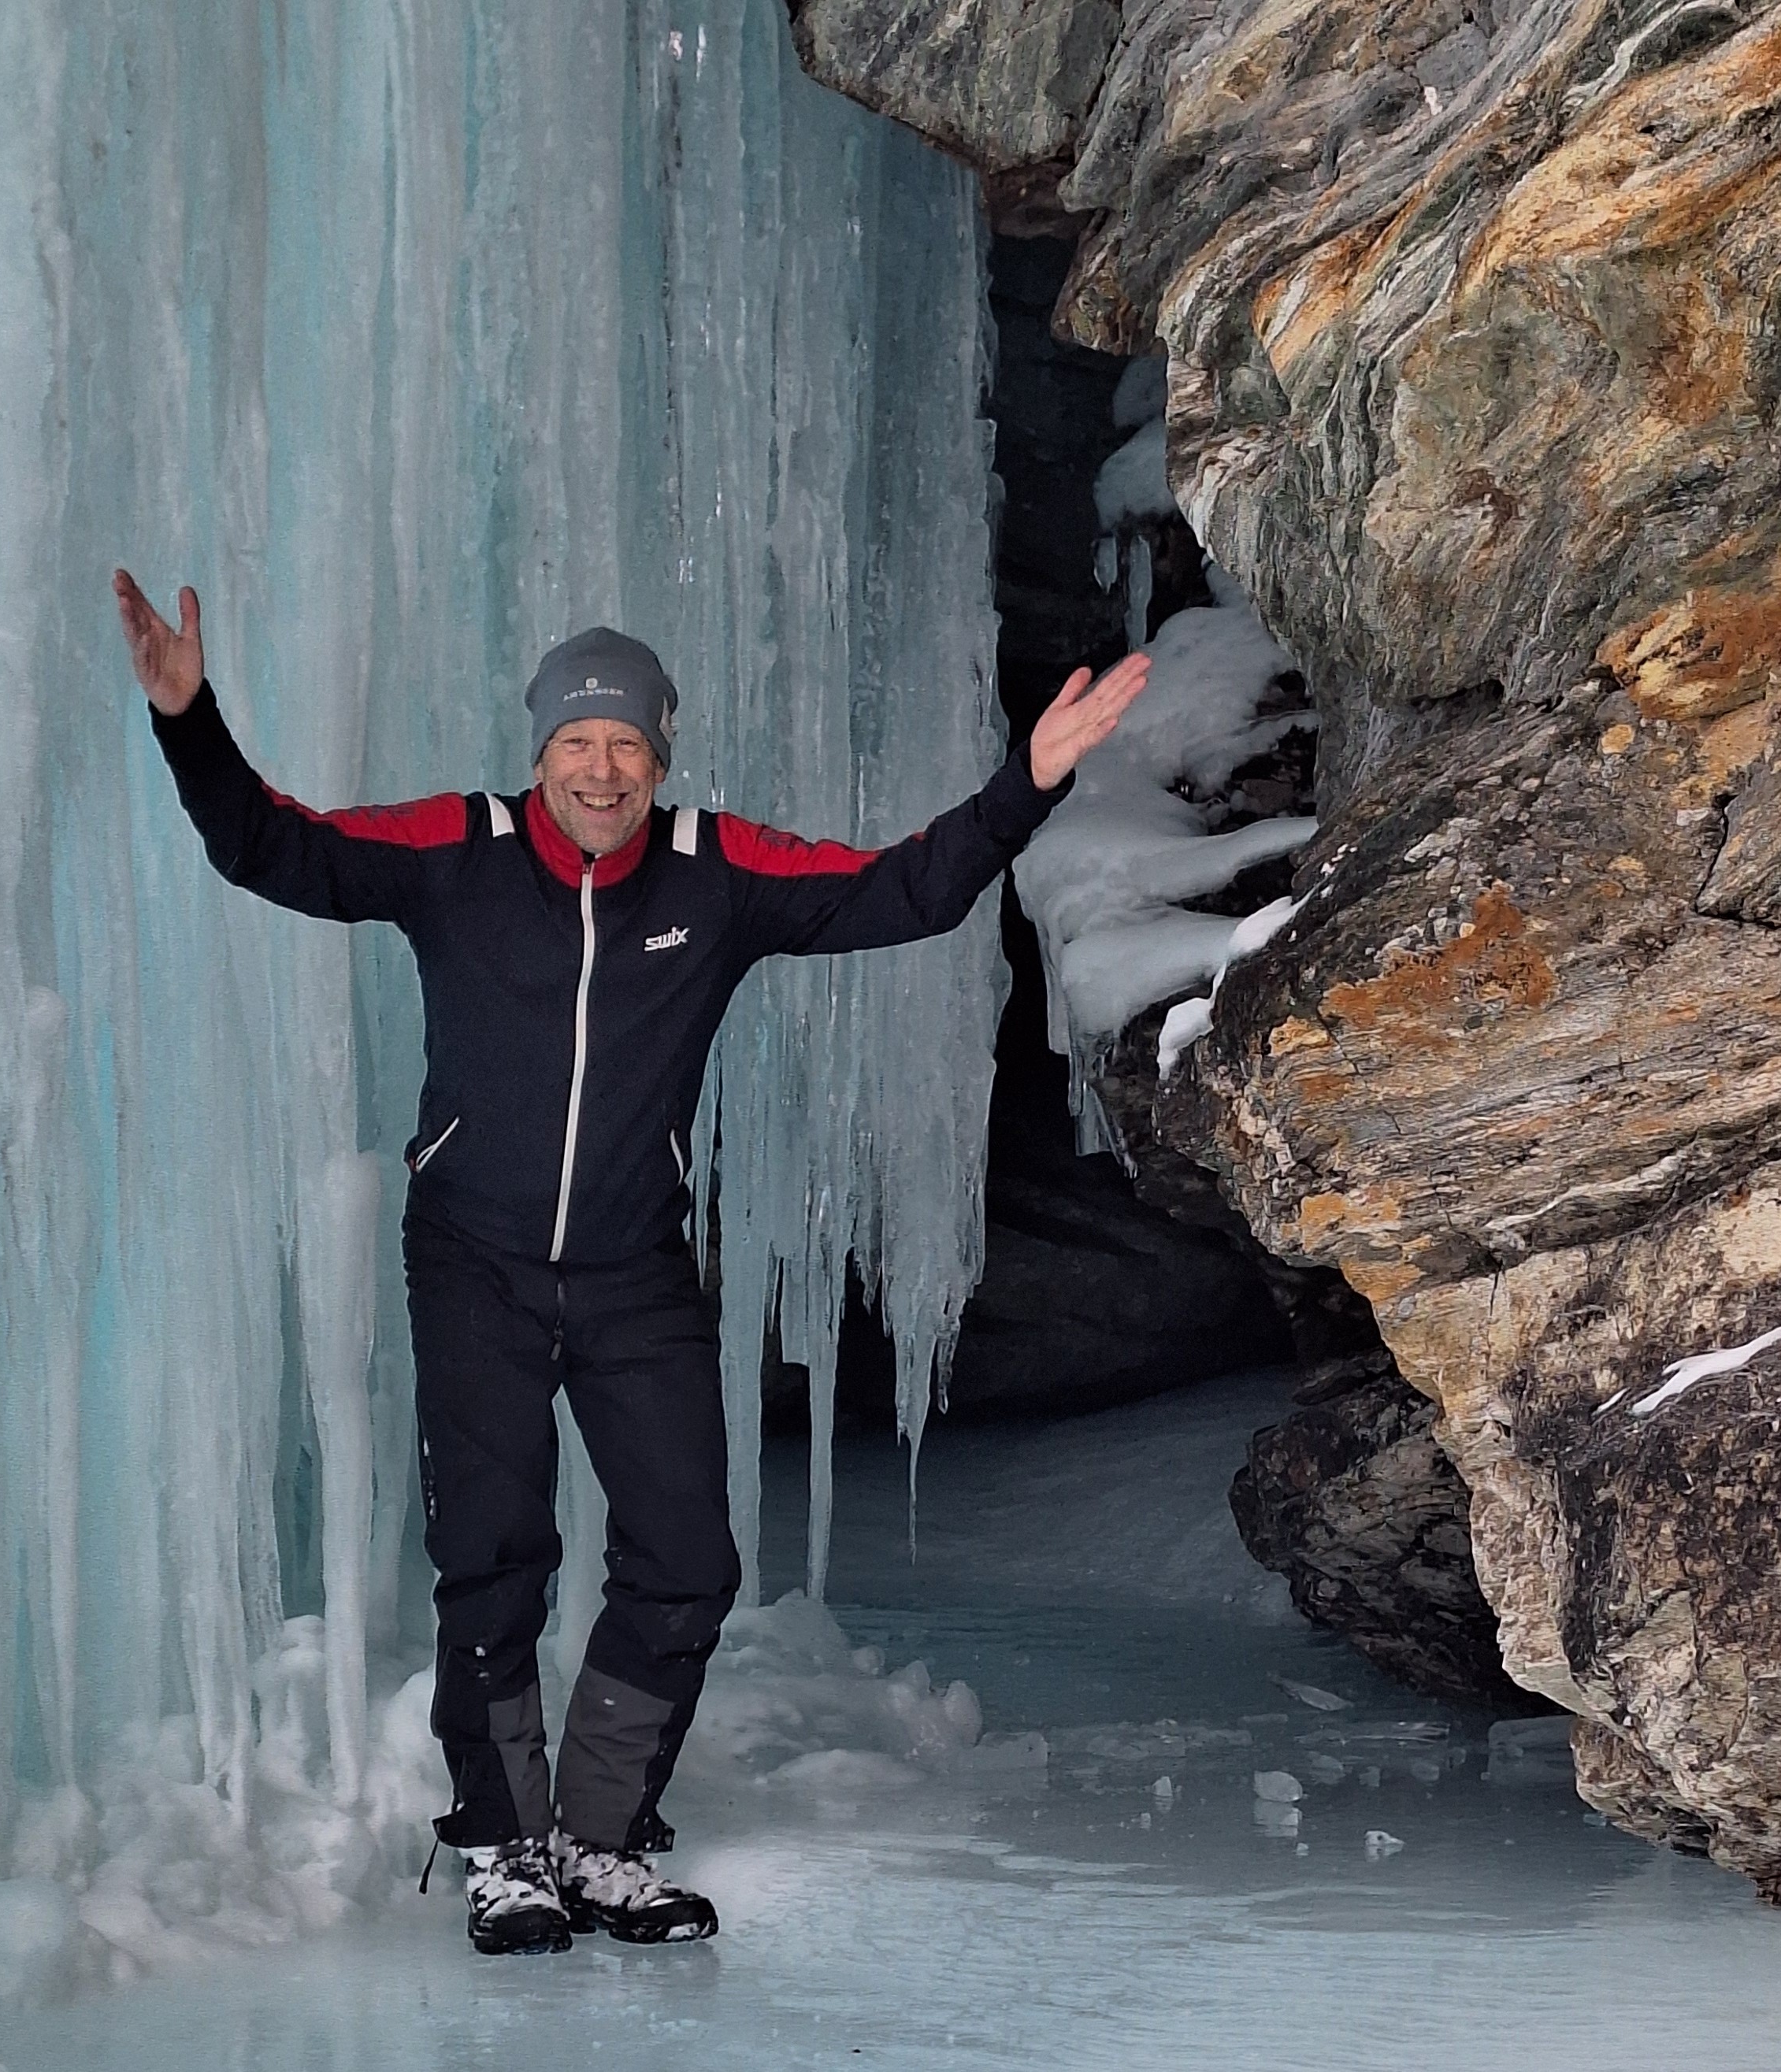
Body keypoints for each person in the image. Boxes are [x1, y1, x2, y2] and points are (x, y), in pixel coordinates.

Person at [113, 568, 1149, 1955]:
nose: (602, 771)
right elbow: (271, 847)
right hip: (472, 1259)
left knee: (683, 1557)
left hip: (633, 1272)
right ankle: (500, 1848)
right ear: (538, 751)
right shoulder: (453, 850)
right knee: (491, 1557)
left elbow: (899, 890)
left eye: (628, 749)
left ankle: (599, 1838)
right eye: (576, 745)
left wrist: (1026, 783)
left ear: (661, 760)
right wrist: (191, 720)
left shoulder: (714, 872)